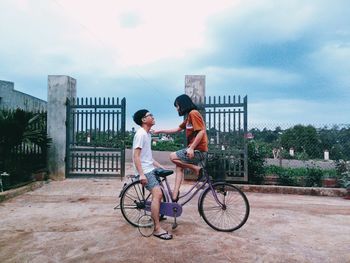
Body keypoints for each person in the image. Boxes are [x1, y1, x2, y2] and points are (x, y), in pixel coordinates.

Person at [153, 94, 208, 202]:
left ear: (182, 104)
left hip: (198, 150)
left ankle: (195, 168)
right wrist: (160, 131)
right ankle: (175, 195)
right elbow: (177, 129)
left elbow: (201, 131)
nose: (177, 109)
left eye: (177, 106)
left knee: (172, 156)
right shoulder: (188, 117)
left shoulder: (194, 113)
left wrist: (191, 148)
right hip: (195, 150)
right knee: (179, 165)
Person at [132, 109, 172, 240]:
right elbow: (136, 156)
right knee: (158, 194)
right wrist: (141, 174)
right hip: (145, 171)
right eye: (150, 115)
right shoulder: (141, 134)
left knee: (162, 192)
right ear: (144, 120)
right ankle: (157, 228)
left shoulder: (147, 135)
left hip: (150, 168)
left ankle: (157, 213)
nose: (153, 117)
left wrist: (161, 167)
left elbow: (148, 158)